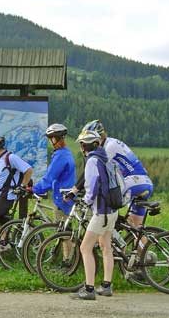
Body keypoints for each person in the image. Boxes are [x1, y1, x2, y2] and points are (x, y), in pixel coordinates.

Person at [74, 120, 153, 229]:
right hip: (143, 182)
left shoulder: (108, 147)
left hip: (133, 182)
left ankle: (110, 228)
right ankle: (135, 243)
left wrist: (75, 189)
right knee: (136, 228)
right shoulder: (110, 142)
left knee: (103, 202)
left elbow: (92, 172)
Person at [70, 130, 118, 300]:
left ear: (86, 145)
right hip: (113, 211)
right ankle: (106, 286)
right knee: (106, 246)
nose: (81, 147)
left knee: (85, 247)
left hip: (101, 212)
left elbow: (91, 187)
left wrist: (85, 201)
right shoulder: (105, 158)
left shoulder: (92, 161)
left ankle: (89, 289)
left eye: (82, 144)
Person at [32, 124, 76, 223]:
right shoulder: (66, 152)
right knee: (64, 231)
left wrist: (34, 189)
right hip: (66, 195)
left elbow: (49, 178)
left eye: (50, 138)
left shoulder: (60, 155)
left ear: (55, 138)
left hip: (62, 198)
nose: (50, 141)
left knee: (62, 234)